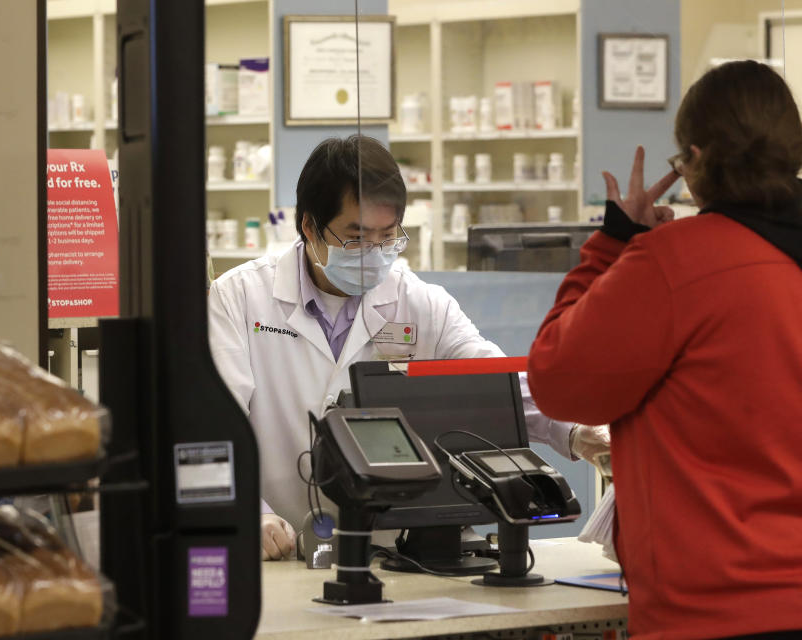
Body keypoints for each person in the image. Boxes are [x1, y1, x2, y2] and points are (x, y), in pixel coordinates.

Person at [208, 135, 608, 561]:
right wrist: (248, 512)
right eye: (356, 238)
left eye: (388, 237)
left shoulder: (419, 301)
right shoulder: (239, 299)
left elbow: (493, 382)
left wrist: (575, 431)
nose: (374, 255)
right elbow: (209, 427)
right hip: (280, 550)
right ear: (309, 226)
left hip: (398, 555)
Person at [527, 60, 802, 639]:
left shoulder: (679, 262)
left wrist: (613, 244)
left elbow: (558, 380)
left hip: (716, 610)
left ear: (696, 161)